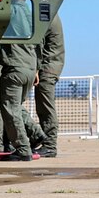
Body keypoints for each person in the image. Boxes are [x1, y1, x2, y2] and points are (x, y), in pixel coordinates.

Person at [0, 41, 47, 162]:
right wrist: (36, 69)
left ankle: (23, 149)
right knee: (16, 107)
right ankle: (36, 134)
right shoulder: (28, 25)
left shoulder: (9, 25)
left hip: (14, 68)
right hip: (30, 67)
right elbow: (39, 44)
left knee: (11, 110)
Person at [33, 15, 66, 158]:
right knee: (43, 106)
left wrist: (35, 69)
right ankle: (46, 142)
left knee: (45, 106)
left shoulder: (46, 16)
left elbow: (39, 45)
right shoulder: (52, 15)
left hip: (48, 66)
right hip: (51, 65)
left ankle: (50, 145)